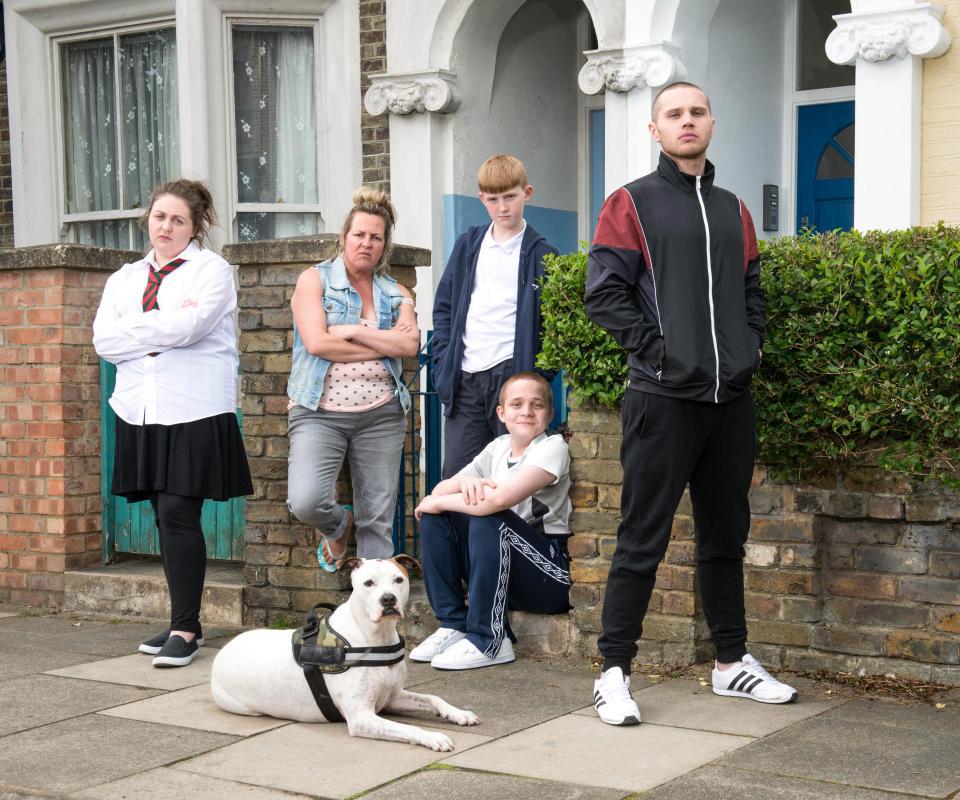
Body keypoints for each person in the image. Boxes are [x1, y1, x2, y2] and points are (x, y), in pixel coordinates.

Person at [584, 82, 797, 725]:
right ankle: (614, 673)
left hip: (730, 401)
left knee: (725, 538)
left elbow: (752, 293)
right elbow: (604, 295)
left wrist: (748, 350)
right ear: (655, 130)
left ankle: (731, 664)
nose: (686, 122)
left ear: (711, 123)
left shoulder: (734, 209)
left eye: (696, 112)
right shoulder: (631, 203)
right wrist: (660, 354)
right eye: (673, 114)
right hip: (661, 401)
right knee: (641, 539)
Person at [93, 179, 252, 668]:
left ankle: (185, 628)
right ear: (149, 219)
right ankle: (186, 620)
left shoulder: (212, 271)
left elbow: (192, 327)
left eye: (178, 219)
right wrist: (163, 328)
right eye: (160, 216)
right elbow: (104, 340)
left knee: (179, 511)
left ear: (194, 226)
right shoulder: (123, 278)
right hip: (141, 405)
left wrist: (137, 330)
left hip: (194, 408)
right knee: (164, 515)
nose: (166, 226)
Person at [286, 188, 418, 571]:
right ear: (344, 237)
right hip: (318, 411)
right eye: (359, 234)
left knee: (378, 520)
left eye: (376, 237)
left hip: (382, 414)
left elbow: (409, 344)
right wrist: (383, 344)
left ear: (384, 246)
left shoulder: (397, 293)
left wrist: (350, 332)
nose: (366, 243)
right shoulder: (314, 281)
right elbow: (317, 343)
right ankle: (341, 525)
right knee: (306, 500)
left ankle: (374, 617)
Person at [412, 372, 571, 670]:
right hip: (502, 568)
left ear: (549, 414)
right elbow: (441, 488)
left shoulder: (552, 447)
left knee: (486, 517)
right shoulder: (497, 447)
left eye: (536, 405)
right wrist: (463, 487)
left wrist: (447, 498)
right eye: (517, 404)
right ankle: (454, 624)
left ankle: (490, 640)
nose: (526, 411)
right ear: (501, 413)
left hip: (548, 576)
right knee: (437, 518)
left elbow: (496, 502)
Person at [432, 154, 558, 479]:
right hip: (466, 378)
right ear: (482, 199)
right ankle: (462, 533)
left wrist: (536, 374)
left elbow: (553, 327)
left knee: (511, 479)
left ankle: (503, 535)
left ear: (526, 193)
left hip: (513, 377)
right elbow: (445, 308)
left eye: (510, 197)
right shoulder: (468, 246)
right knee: (458, 478)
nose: (502, 207)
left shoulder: (543, 255)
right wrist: (444, 361)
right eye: (493, 199)